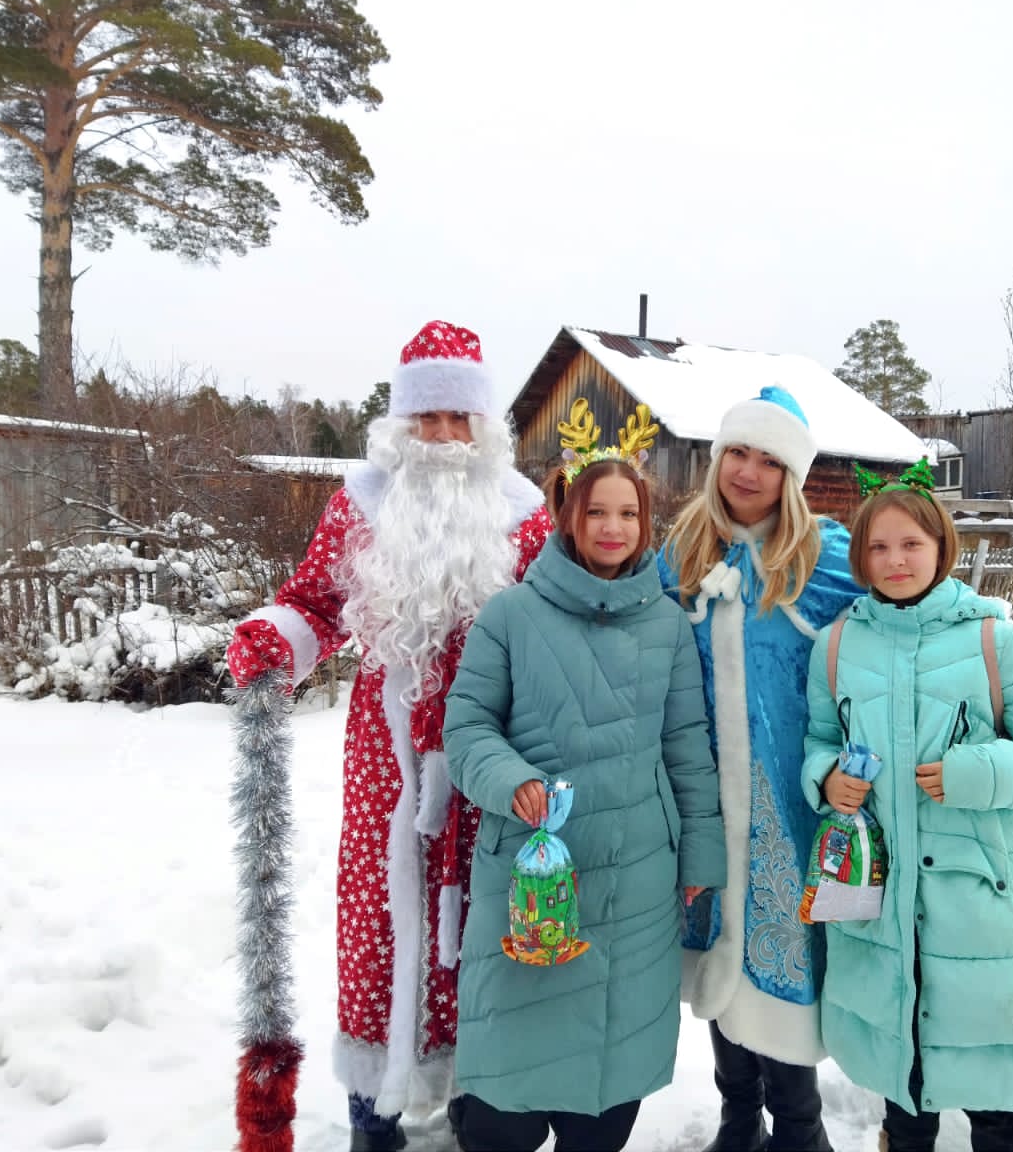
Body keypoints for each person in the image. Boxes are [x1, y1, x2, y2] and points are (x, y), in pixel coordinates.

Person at [226, 320, 553, 1152]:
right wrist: (274, 639)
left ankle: (477, 1103)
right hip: (386, 756)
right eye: (426, 418)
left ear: (483, 426)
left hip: (492, 755)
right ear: (401, 424)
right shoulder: (360, 503)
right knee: (378, 924)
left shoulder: (527, 516)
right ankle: (372, 1117)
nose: (442, 437)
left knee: (484, 924)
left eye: (458, 419)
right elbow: (314, 602)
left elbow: (558, 632)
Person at [442, 409, 728, 1152]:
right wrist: (510, 779)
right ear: (566, 514)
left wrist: (701, 856)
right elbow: (466, 728)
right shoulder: (510, 615)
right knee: (500, 1114)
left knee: (602, 1109)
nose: (613, 527)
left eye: (628, 513)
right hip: (532, 874)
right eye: (597, 510)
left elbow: (686, 748)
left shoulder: (667, 626)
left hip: (637, 884)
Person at [802, 463, 1013, 1152]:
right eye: (878, 547)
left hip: (982, 906)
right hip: (882, 905)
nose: (895, 560)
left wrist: (973, 772)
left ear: (940, 548)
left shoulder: (993, 639)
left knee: (995, 1096)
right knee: (905, 1087)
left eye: (911, 544)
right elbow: (819, 739)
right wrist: (827, 777)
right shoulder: (838, 645)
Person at [658, 385, 862, 1152]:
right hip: (705, 799)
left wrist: (1005, 707)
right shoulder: (681, 553)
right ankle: (738, 1119)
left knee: (783, 956)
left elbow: (921, 612)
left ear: (793, 477)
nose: (747, 472)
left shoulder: (828, 558)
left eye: (769, 461)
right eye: (737, 453)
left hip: (791, 804)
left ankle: (800, 1131)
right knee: (718, 955)